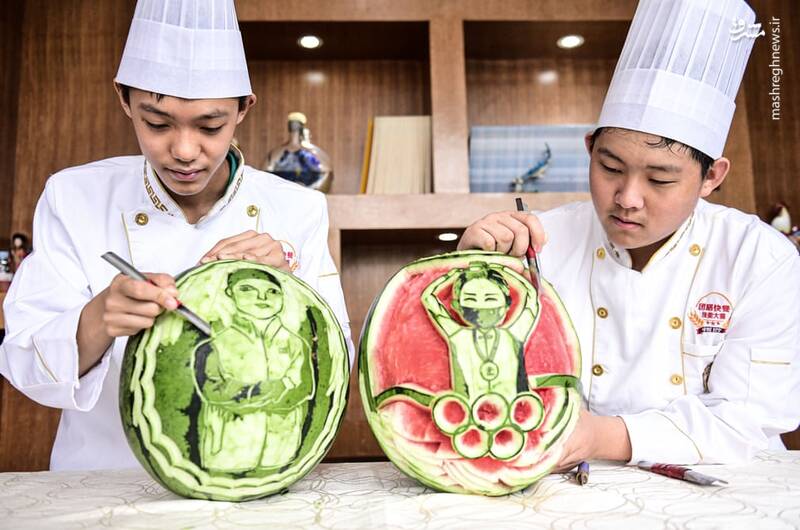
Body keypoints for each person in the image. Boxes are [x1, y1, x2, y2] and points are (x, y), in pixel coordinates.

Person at [0, 0, 353, 471]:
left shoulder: (298, 207)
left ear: (243, 109)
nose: (184, 151)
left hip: (251, 477)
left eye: (210, 126)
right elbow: (23, 362)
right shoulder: (74, 196)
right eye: (157, 123)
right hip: (102, 482)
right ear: (124, 100)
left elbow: (336, 364)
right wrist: (99, 318)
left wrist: (289, 296)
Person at [458, 0, 800, 469]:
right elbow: (473, 378)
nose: (627, 198)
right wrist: (465, 274)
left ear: (711, 177)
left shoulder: (759, 257)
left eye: (659, 179)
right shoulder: (538, 242)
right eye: (610, 168)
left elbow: (750, 421)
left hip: (727, 486)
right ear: (589, 149)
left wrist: (601, 436)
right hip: (573, 484)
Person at [193, 268, 313, 472]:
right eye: (247, 289)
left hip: (282, 448)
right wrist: (262, 391)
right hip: (229, 447)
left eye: (272, 291)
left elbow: (304, 386)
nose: (262, 297)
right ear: (230, 293)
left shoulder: (295, 342)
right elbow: (211, 389)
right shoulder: (216, 342)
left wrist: (284, 391)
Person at [421, 261, 537, 403]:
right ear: (457, 306)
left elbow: (532, 298)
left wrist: (505, 270)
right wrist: (449, 276)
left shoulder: (515, 334)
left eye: (490, 298)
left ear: (507, 304)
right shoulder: (459, 336)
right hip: (467, 410)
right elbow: (428, 298)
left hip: (514, 407)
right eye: (471, 299)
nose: (481, 306)